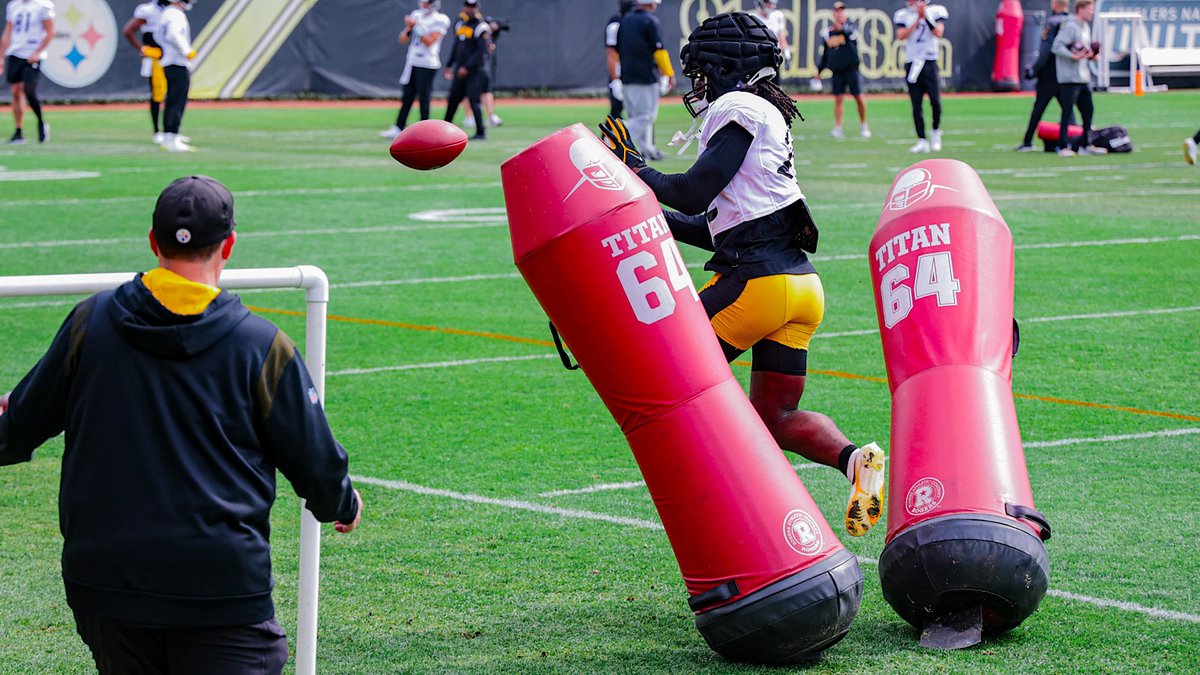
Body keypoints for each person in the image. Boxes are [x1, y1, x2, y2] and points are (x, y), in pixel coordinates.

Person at [0, 175, 363, 674]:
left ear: (153, 242)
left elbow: (14, 429)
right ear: (229, 245)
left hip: (106, 587)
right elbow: (317, 465)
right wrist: (342, 502)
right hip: (219, 592)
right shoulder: (262, 345)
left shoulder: (90, 322)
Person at [599, 11, 885, 537]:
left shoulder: (738, 108)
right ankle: (854, 461)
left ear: (726, 67)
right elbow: (713, 228)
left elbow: (690, 191)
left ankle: (737, 510)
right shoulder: (764, 112)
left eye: (703, 71)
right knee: (775, 417)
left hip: (755, 284)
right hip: (798, 287)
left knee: (667, 383)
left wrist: (632, 166)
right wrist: (644, 209)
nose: (698, 84)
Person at [380, 0, 451, 140]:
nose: (423, 5)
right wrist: (409, 28)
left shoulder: (440, 19)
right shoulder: (416, 15)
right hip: (412, 62)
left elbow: (429, 41)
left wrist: (416, 27)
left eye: (426, 3)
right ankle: (399, 127)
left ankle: (426, 129)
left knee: (424, 98)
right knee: (407, 97)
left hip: (427, 63)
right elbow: (402, 39)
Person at [615, 0, 675, 162]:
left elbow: (617, 51)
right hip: (646, 77)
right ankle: (615, 139)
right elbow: (659, 51)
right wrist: (669, 73)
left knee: (636, 114)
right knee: (646, 117)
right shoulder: (650, 21)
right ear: (650, 4)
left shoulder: (625, 21)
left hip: (627, 77)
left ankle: (647, 150)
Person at [1016, 0, 1072, 152]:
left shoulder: (1052, 23)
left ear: (1055, 5)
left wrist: (1035, 69)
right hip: (1068, 73)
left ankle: (1027, 141)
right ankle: (1073, 140)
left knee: (1038, 108)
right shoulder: (1073, 23)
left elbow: (1045, 50)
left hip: (1050, 74)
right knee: (1068, 110)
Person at [1052, 0, 1106, 156]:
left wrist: (1090, 56)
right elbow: (1057, 46)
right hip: (1069, 79)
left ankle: (1086, 144)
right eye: (1090, 9)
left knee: (1088, 111)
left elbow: (1081, 49)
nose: (1092, 12)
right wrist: (1072, 56)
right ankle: (1063, 146)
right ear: (1081, 9)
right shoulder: (1070, 26)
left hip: (1082, 77)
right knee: (1067, 112)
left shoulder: (1085, 27)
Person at [894, 0, 948, 153]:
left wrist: (926, 16)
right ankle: (922, 139)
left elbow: (938, 32)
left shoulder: (936, 11)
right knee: (916, 105)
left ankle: (936, 132)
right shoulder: (903, 15)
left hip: (929, 62)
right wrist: (918, 19)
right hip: (912, 62)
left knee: (936, 102)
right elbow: (901, 36)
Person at [0, 0, 53, 145]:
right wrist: (1, 55)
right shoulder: (14, 5)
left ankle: (41, 122)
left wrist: (37, 52)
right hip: (15, 52)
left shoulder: (43, 5)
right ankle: (18, 131)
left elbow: (50, 32)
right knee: (16, 92)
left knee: (29, 91)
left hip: (32, 55)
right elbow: (8, 31)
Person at [816, 2, 869, 139]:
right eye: (837, 11)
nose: (839, 14)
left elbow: (852, 36)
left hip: (852, 69)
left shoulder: (851, 27)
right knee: (838, 98)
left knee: (858, 97)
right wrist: (819, 71)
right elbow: (826, 54)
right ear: (833, 14)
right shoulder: (828, 32)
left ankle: (864, 125)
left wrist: (842, 27)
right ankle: (838, 127)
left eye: (842, 11)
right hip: (837, 70)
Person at [443, 0, 491, 141]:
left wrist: (467, 67)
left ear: (477, 8)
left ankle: (481, 132)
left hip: (475, 71)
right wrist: (449, 64)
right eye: (467, 6)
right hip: (460, 69)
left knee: (474, 101)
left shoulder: (481, 27)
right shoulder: (459, 23)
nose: (469, 9)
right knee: (453, 99)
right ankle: (443, 129)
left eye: (473, 7)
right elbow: (457, 46)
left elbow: (482, 52)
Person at [154, 0, 197, 152]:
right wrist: (186, 50)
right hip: (177, 62)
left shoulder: (166, 13)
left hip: (169, 60)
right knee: (177, 100)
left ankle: (169, 135)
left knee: (172, 100)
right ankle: (172, 136)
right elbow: (173, 34)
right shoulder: (175, 14)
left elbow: (158, 36)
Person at [123, 0, 167, 145]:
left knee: (172, 94)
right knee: (157, 95)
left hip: (171, 57)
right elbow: (128, 30)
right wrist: (143, 49)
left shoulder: (173, 10)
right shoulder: (148, 10)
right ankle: (157, 130)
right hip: (155, 59)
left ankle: (171, 131)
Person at [605, 0, 635, 119]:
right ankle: (605, 137)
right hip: (621, 72)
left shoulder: (643, 20)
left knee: (640, 114)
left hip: (637, 72)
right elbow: (611, 53)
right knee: (616, 112)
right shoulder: (615, 24)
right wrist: (616, 79)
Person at [753, 0, 790, 69]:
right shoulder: (753, 18)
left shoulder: (777, 16)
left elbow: (781, 38)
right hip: (759, 58)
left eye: (773, 3)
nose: (772, 6)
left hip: (774, 58)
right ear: (761, 3)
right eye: (769, 3)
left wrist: (787, 56)